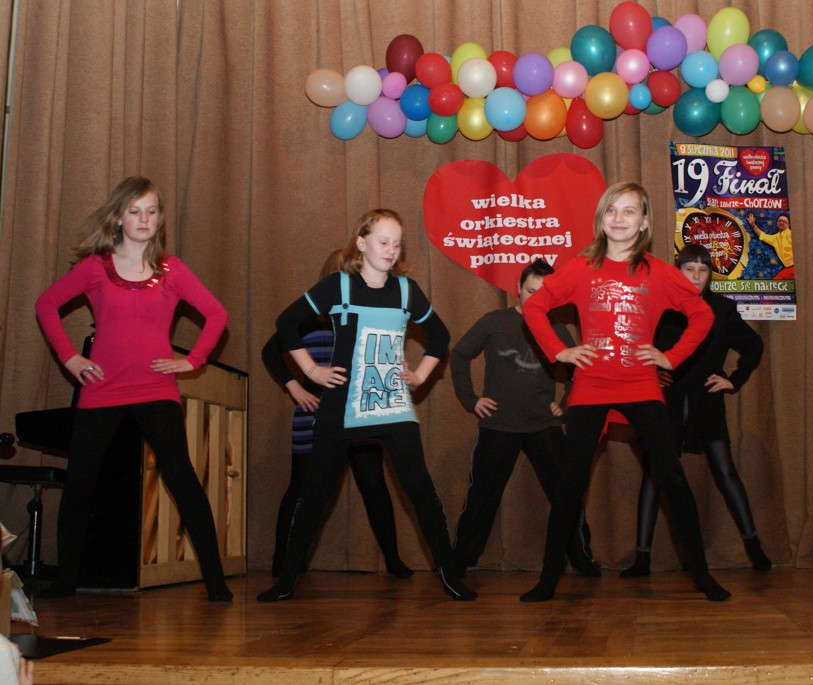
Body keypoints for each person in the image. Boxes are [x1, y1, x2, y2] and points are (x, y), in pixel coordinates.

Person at [519, 182, 729, 603]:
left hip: (640, 384)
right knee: (569, 482)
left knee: (671, 475)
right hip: (591, 385)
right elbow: (534, 306)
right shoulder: (580, 268)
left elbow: (702, 315)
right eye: (612, 210)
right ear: (602, 219)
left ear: (644, 222)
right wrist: (560, 351)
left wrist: (671, 357)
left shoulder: (660, 273)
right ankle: (547, 578)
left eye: (629, 211)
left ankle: (703, 576)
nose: (619, 218)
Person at [257, 209, 475, 602]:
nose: (391, 250)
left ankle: (449, 576)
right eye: (383, 241)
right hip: (341, 406)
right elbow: (286, 323)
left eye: (397, 244)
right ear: (361, 243)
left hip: (392, 405)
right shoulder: (337, 286)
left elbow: (440, 336)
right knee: (314, 494)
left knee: (421, 490)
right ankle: (286, 579)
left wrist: (420, 375)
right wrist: (311, 369)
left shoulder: (407, 291)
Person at [34, 176, 232, 602]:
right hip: (102, 389)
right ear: (119, 218)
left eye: (151, 211)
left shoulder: (171, 270)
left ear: (159, 220)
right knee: (80, 481)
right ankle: (66, 579)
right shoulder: (95, 268)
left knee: (181, 477)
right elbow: (46, 305)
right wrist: (70, 358)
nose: (144, 219)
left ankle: (216, 581)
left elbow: (217, 314)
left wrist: (193, 360)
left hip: (156, 388)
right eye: (135, 211)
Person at [620, 244, 770, 578]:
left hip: (706, 398)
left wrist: (733, 379)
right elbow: (634, 345)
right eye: (690, 269)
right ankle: (642, 558)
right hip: (666, 400)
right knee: (654, 474)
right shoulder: (662, 307)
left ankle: (756, 550)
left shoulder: (722, 308)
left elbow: (753, 345)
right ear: (678, 271)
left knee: (726, 471)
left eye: (703, 270)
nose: (697, 276)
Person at [262, 249, 411, 580]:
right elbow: (270, 351)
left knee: (374, 485)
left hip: (361, 414)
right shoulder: (308, 318)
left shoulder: (367, 313)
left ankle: (393, 559)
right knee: (302, 488)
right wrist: (294, 387)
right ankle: (282, 561)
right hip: (316, 415)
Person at [449, 259, 599, 578]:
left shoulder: (557, 330)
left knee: (566, 492)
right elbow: (459, 354)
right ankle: (459, 560)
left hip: (543, 425)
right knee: (481, 496)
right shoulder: (494, 321)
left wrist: (565, 402)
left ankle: (581, 558)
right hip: (498, 424)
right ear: (518, 289)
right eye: (531, 291)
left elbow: (580, 369)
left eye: (544, 294)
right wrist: (471, 399)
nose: (535, 299)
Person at [745, 212, 793, 280]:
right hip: (788, 268)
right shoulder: (775, 238)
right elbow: (763, 236)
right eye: (780, 221)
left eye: (784, 222)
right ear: (776, 223)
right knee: (775, 284)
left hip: (795, 267)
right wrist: (753, 225)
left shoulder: (790, 234)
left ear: (789, 225)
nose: (781, 223)